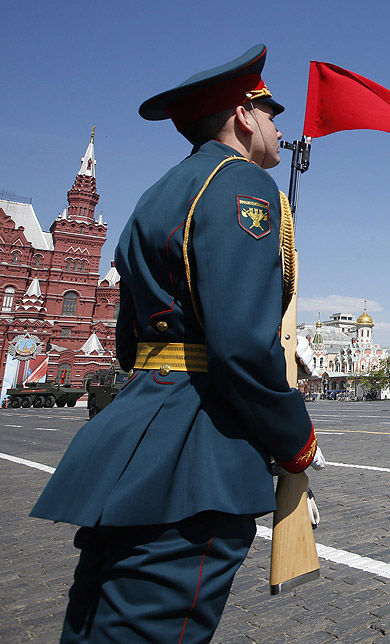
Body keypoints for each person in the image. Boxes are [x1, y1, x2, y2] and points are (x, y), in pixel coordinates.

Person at [31, 44, 324, 644]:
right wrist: (296, 442)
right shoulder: (243, 186)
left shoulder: (157, 195)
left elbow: (125, 343)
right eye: (270, 113)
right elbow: (241, 344)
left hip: (136, 435)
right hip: (197, 454)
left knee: (96, 624)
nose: (277, 127)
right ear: (244, 115)